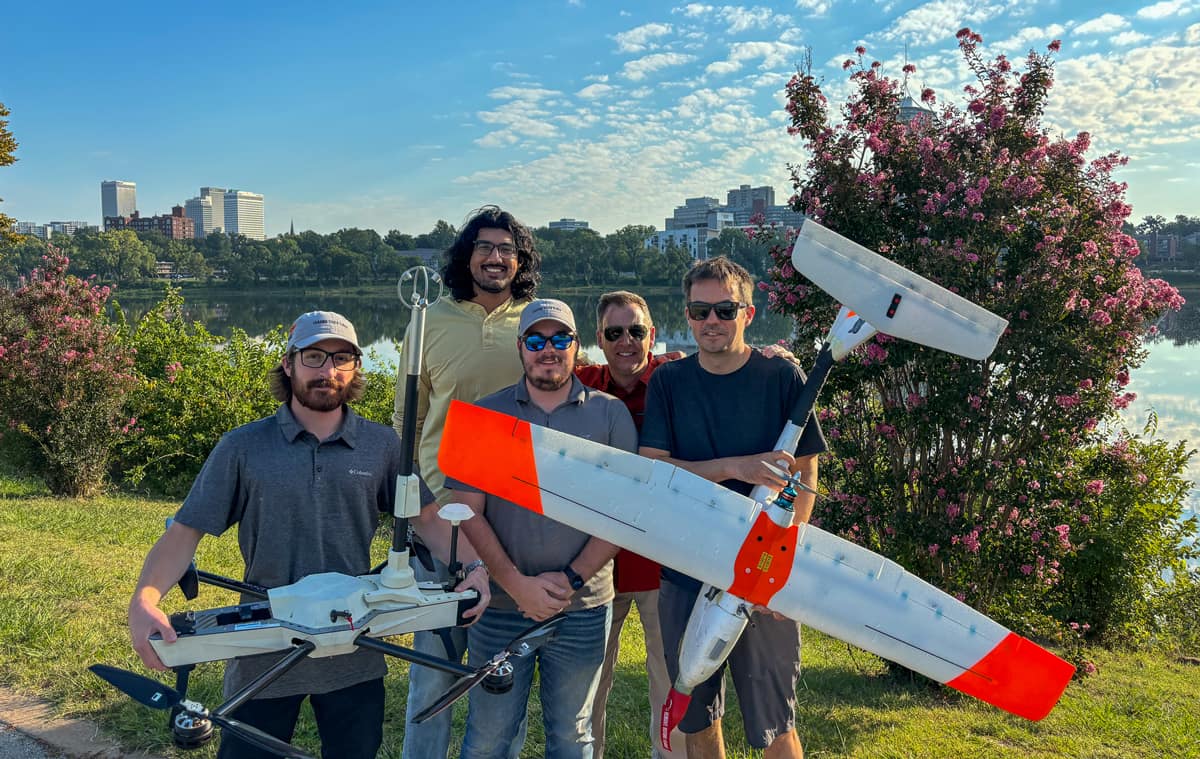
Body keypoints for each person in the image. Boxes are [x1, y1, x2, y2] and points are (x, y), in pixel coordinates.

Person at [127, 310, 489, 759]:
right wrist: (145, 598)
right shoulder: (242, 447)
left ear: (356, 368)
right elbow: (184, 534)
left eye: (341, 358)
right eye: (314, 356)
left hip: (356, 649)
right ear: (289, 363)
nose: (327, 371)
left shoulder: (382, 447)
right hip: (264, 646)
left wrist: (473, 568)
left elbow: (429, 520)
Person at [639, 258, 826, 759]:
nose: (711, 321)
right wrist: (732, 468)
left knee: (774, 722)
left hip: (762, 570)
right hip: (686, 566)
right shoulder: (668, 382)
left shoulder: (781, 376)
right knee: (696, 717)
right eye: (700, 311)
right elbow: (655, 470)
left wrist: (784, 558)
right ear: (687, 314)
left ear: (748, 312)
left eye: (724, 309)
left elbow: (805, 474)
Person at [450, 299, 637, 759]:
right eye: (536, 340)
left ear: (577, 347)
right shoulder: (482, 415)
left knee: (573, 736)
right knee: (488, 738)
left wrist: (571, 579)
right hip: (499, 609)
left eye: (560, 339)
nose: (547, 350)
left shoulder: (612, 416)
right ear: (521, 347)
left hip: (584, 607)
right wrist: (515, 585)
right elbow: (466, 508)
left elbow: (624, 512)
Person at [394, 206, 541, 759]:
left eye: (508, 248)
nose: (496, 257)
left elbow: (582, 386)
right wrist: (415, 502)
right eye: (485, 247)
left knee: (504, 677)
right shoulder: (428, 319)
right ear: (467, 255)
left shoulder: (536, 324)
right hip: (440, 519)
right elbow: (405, 419)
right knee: (432, 673)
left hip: (515, 518)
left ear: (520, 259)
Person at [574, 291, 687, 759]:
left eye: (636, 331)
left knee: (674, 687)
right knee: (586, 689)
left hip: (664, 567)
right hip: (597, 567)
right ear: (598, 339)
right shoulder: (579, 385)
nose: (626, 342)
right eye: (614, 333)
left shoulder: (678, 379)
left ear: (653, 336)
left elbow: (730, 366)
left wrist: (769, 354)